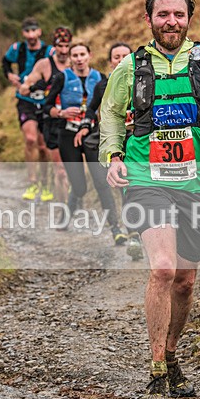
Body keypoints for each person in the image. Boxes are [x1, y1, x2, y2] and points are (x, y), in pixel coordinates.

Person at [99, 0, 200, 399]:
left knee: (185, 282)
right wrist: (113, 156)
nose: (171, 21)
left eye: (178, 15)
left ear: (189, 19)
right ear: (148, 19)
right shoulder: (130, 67)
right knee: (163, 270)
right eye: (163, 14)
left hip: (197, 182)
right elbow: (110, 115)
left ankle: (171, 354)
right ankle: (154, 371)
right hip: (147, 178)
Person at [43, 41, 127, 244]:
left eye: (83, 54)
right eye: (75, 55)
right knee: (79, 187)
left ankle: (116, 230)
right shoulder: (62, 77)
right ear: (70, 58)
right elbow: (46, 107)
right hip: (68, 135)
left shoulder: (100, 79)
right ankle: (68, 214)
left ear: (89, 56)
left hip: (91, 137)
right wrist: (61, 112)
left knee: (101, 183)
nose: (79, 58)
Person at [82, 41, 142, 255]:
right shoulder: (102, 85)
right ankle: (117, 229)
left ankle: (134, 231)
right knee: (108, 186)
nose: (120, 60)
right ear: (110, 61)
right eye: (116, 57)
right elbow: (90, 109)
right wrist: (83, 127)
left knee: (129, 186)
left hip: (134, 140)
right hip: (107, 139)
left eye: (125, 56)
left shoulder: (142, 82)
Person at [19, 26, 75, 204]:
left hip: (70, 117)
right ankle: (37, 183)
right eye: (60, 46)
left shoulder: (75, 63)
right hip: (46, 114)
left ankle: (70, 195)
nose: (64, 51)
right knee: (39, 146)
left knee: (62, 162)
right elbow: (24, 88)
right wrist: (36, 86)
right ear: (54, 46)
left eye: (67, 46)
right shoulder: (44, 64)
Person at [2, 18, 54, 201]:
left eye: (34, 31)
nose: (31, 35)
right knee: (30, 139)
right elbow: (5, 62)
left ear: (39, 32)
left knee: (43, 146)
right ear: (23, 33)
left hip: (45, 100)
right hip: (25, 100)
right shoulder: (17, 49)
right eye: (27, 31)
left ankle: (45, 183)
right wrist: (10, 76)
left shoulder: (49, 51)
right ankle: (32, 182)